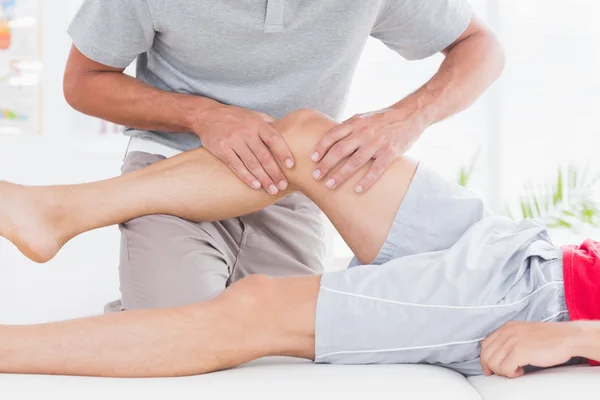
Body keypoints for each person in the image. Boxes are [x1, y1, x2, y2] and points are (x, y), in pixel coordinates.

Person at [0, 110, 597, 379]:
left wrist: (576, 333)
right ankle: (55, 213)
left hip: (537, 302)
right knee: (310, 137)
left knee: (255, 309)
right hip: (533, 253)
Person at [64, 0, 504, 312]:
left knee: (274, 353)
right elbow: (84, 80)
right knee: (178, 333)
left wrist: (408, 118)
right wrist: (202, 115)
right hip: (172, 170)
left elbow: (480, 45)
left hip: (293, 186)